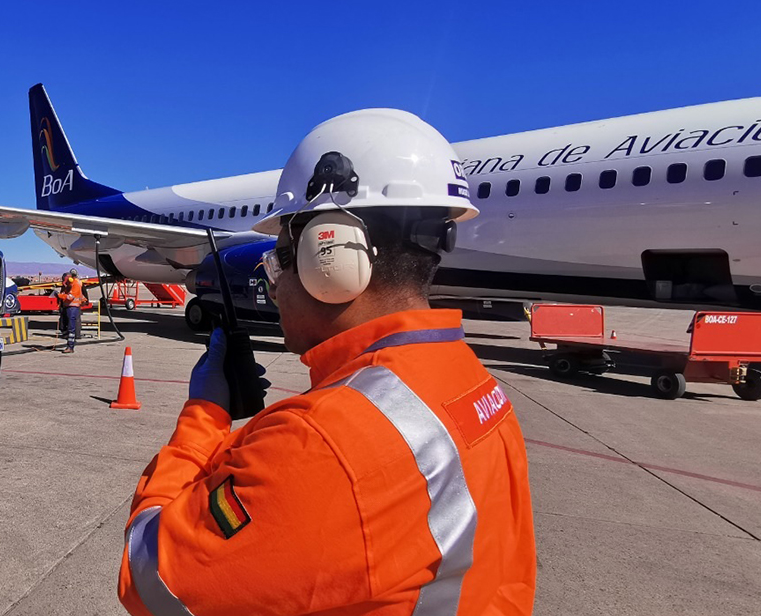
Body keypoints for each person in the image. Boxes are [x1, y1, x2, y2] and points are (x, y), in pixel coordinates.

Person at [117, 109, 536, 616]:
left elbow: (152, 582)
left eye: (278, 260)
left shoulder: (324, 441)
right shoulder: (471, 382)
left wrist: (204, 418)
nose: (274, 284)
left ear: (327, 257)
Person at [58, 268, 85, 353]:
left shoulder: (75, 285)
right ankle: (69, 345)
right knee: (66, 326)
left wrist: (60, 296)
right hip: (69, 307)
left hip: (73, 308)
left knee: (71, 328)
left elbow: (70, 297)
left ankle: (70, 346)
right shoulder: (71, 285)